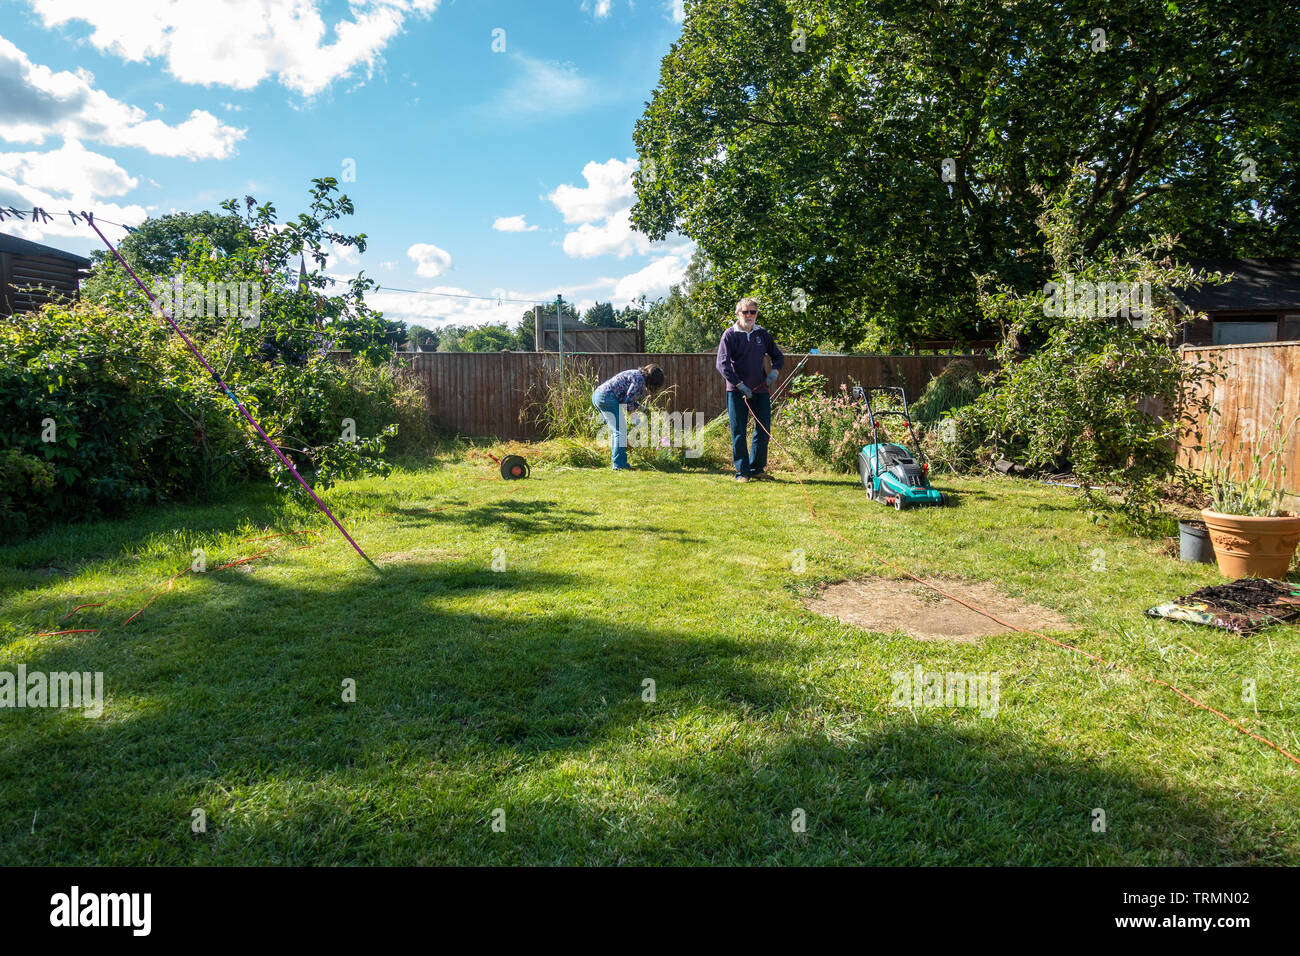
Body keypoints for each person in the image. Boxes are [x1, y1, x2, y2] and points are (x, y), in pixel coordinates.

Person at [716, 298, 784, 482]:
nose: (749, 315)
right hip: (737, 391)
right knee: (738, 431)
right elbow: (722, 364)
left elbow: (778, 356)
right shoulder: (730, 335)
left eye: (752, 312)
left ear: (756, 314)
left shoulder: (762, 334)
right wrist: (739, 385)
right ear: (738, 313)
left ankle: (756, 468)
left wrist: (774, 373)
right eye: (745, 312)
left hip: (760, 390)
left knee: (763, 430)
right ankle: (742, 472)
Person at [591, 364, 666, 470]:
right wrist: (636, 420)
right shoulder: (640, 381)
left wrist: (643, 409)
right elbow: (627, 402)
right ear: (654, 381)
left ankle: (617, 462)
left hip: (598, 395)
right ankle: (619, 465)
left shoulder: (636, 374)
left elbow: (625, 399)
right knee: (620, 431)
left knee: (616, 431)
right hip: (606, 397)